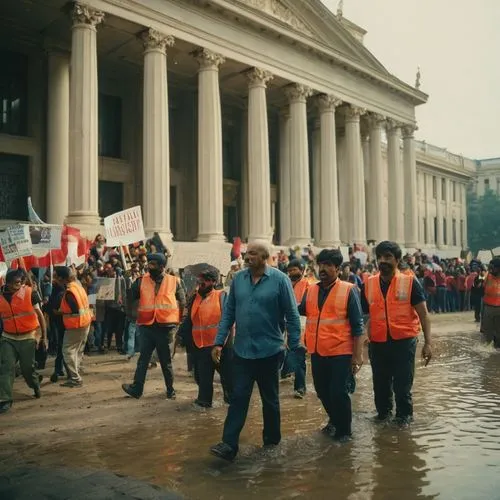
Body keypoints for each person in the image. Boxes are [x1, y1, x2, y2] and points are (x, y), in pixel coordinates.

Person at [209, 241, 302, 461]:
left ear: (264, 257)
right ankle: (229, 445)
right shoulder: (239, 279)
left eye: (251, 253)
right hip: (242, 352)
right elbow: (229, 313)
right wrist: (219, 342)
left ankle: (271, 442)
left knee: (270, 399)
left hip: (270, 351)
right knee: (238, 397)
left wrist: (294, 346)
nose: (246, 256)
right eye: (246, 253)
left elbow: (292, 315)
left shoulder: (280, 280)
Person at [362, 241, 432, 427]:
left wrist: (428, 343)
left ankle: (404, 420)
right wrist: (360, 341)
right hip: (378, 343)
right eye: (380, 257)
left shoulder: (410, 282)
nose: (383, 261)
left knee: (402, 387)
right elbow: (363, 316)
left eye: (388, 257)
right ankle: (383, 417)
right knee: (380, 386)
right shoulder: (368, 284)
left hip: (404, 342)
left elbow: (424, 314)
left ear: (397, 260)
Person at [297, 249, 364, 441]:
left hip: (341, 351)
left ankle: (345, 432)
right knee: (321, 390)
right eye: (321, 265)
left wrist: (357, 356)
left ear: (337, 268)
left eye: (328, 265)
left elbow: (358, 326)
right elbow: (299, 310)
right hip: (317, 351)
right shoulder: (311, 290)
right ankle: (335, 420)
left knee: (338, 392)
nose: (323, 269)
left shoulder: (349, 289)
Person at [122, 253, 186, 400]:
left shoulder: (174, 281)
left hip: (166, 328)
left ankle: (171, 390)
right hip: (147, 327)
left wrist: (179, 322)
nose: (149, 267)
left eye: (153, 264)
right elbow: (130, 298)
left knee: (166, 361)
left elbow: (183, 302)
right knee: (143, 360)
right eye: (149, 264)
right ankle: (137, 389)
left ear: (162, 266)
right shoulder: (140, 281)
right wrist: (132, 316)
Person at [177, 268, 231, 408]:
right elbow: (189, 320)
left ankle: (231, 401)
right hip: (200, 345)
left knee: (228, 376)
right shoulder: (194, 298)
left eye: (206, 280)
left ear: (214, 282)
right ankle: (204, 402)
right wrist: (182, 336)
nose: (202, 282)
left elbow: (228, 319)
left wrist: (225, 343)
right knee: (202, 378)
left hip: (220, 346)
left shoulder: (221, 295)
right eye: (201, 279)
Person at [0, 269, 47, 414]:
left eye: (20, 282)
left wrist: (44, 337)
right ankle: (5, 399)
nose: (18, 285)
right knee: (6, 368)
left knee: (27, 368)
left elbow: (40, 316)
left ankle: (35, 385)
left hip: (28, 336)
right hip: (8, 337)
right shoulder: (1, 295)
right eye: (15, 283)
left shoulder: (30, 293)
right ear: (7, 283)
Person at [55, 266, 93, 388]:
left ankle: (75, 378)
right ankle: (76, 373)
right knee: (77, 350)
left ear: (61, 278)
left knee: (67, 351)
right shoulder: (77, 286)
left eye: (56, 276)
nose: (54, 279)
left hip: (76, 324)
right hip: (85, 322)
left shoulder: (70, 292)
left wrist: (60, 312)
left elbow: (74, 309)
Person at [282, 259, 309, 398]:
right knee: (284, 351)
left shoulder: (308, 284)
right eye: (290, 270)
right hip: (285, 323)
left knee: (298, 354)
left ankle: (300, 388)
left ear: (302, 269)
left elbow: (306, 306)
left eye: (295, 269)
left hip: (301, 324)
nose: (292, 272)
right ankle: (285, 374)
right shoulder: (285, 283)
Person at [480, 257, 500, 347]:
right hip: (488, 307)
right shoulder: (488, 276)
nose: (491, 270)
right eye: (490, 267)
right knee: (488, 334)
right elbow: (480, 286)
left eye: (493, 267)